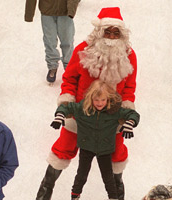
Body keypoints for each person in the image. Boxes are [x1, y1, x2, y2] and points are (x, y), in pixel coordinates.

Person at [36, 7, 137, 200]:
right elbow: (69, 79)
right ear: (99, 31)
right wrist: (67, 104)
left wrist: (126, 112)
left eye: (116, 32)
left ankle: (117, 195)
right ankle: (44, 194)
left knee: (116, 156)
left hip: (112, 118)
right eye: (107, 31)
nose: (112, 36)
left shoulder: (128, 55)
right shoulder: (83, 49)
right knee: (62, 150)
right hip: (81, 114)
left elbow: (130, 87)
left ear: (122, 34)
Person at [50, 80, 140, 200]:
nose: (99, 103)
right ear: (91, 98)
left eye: (103, 100)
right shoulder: (83, 109)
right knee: (81, 175)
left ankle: (113, 197)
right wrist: (60, 115)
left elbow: (133, 114)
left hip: (105, 149)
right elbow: (66, 107)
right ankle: (75, 196)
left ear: (108, 99)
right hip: (86, 147)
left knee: (108, 178)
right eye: (96, 100)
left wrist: (130, 123)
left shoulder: (114, 111)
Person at [24, 0, 80, 83]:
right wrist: (29, 14)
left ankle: (69, 67)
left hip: (65, 12)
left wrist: (71, 9)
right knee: (49, 41)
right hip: (47, 11)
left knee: (67, 41)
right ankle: (52, 66)